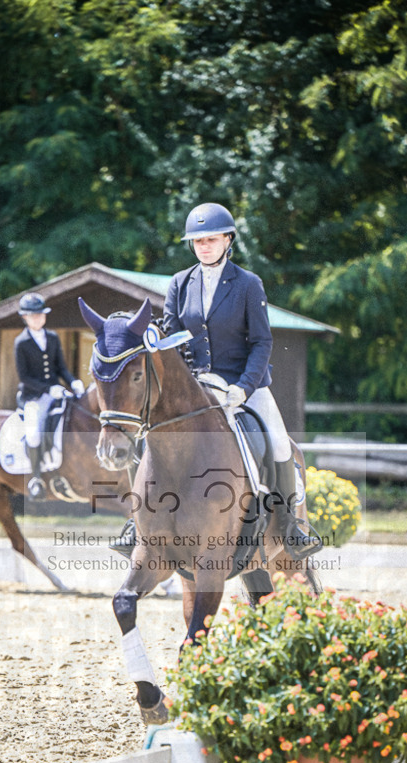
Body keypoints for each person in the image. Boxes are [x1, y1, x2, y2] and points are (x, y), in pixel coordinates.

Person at [161, 201, 318, 556]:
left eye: (211, 239)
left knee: (279, 442)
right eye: (198, 241)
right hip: (196, 388)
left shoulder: (248, 284)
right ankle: (138, 523)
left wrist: (244, 387)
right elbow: (172, 337)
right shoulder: (179, 283)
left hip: (243, 385)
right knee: (152, 433)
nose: (204, 246)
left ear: (228, 240)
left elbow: (262, 342)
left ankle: (290, 526)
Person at [14, 292, 85, 500]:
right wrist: (47, 389)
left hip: (56, 393)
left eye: (41, 314)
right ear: (25, 317)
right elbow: (24, 377)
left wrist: (73, 381)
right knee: (34, 433)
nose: (38, 318)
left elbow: (61, 367)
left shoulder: (52, 337)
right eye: (33, 315)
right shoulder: (21, 342)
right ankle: (36, 478)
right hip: (33, 396)